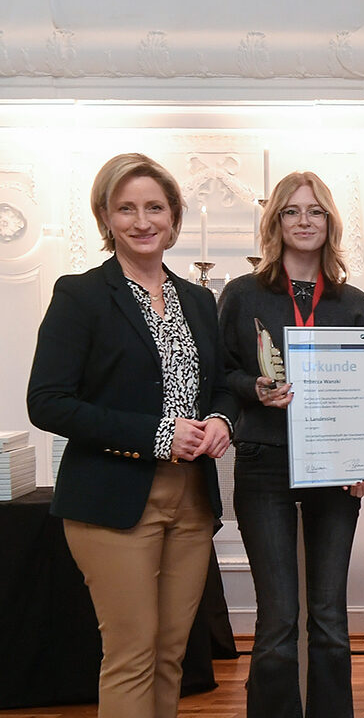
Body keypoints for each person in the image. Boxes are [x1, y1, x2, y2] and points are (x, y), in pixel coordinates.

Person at [27, 153, 235, 718]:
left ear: (173, 218)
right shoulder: (82, 295)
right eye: (127, 208)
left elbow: (217, 387)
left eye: (155, 208)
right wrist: (157, 435)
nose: (142, 221)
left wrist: (220, 421)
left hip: (191, 500)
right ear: (105, 216)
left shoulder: (196, 299)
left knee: (172, 653)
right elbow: (47, 402)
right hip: (112, 499)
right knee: (132, 653)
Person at [217, 171, 364, 717]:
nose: (304, 221)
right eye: (292, 211)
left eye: (314, 211)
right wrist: (253, 389)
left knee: (331, 618)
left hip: (335, 469)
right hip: (265, 465)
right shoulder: (242, 295)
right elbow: (220, 374)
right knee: (279, 619)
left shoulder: (352, 301)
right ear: (276, 222)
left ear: (329, 222)